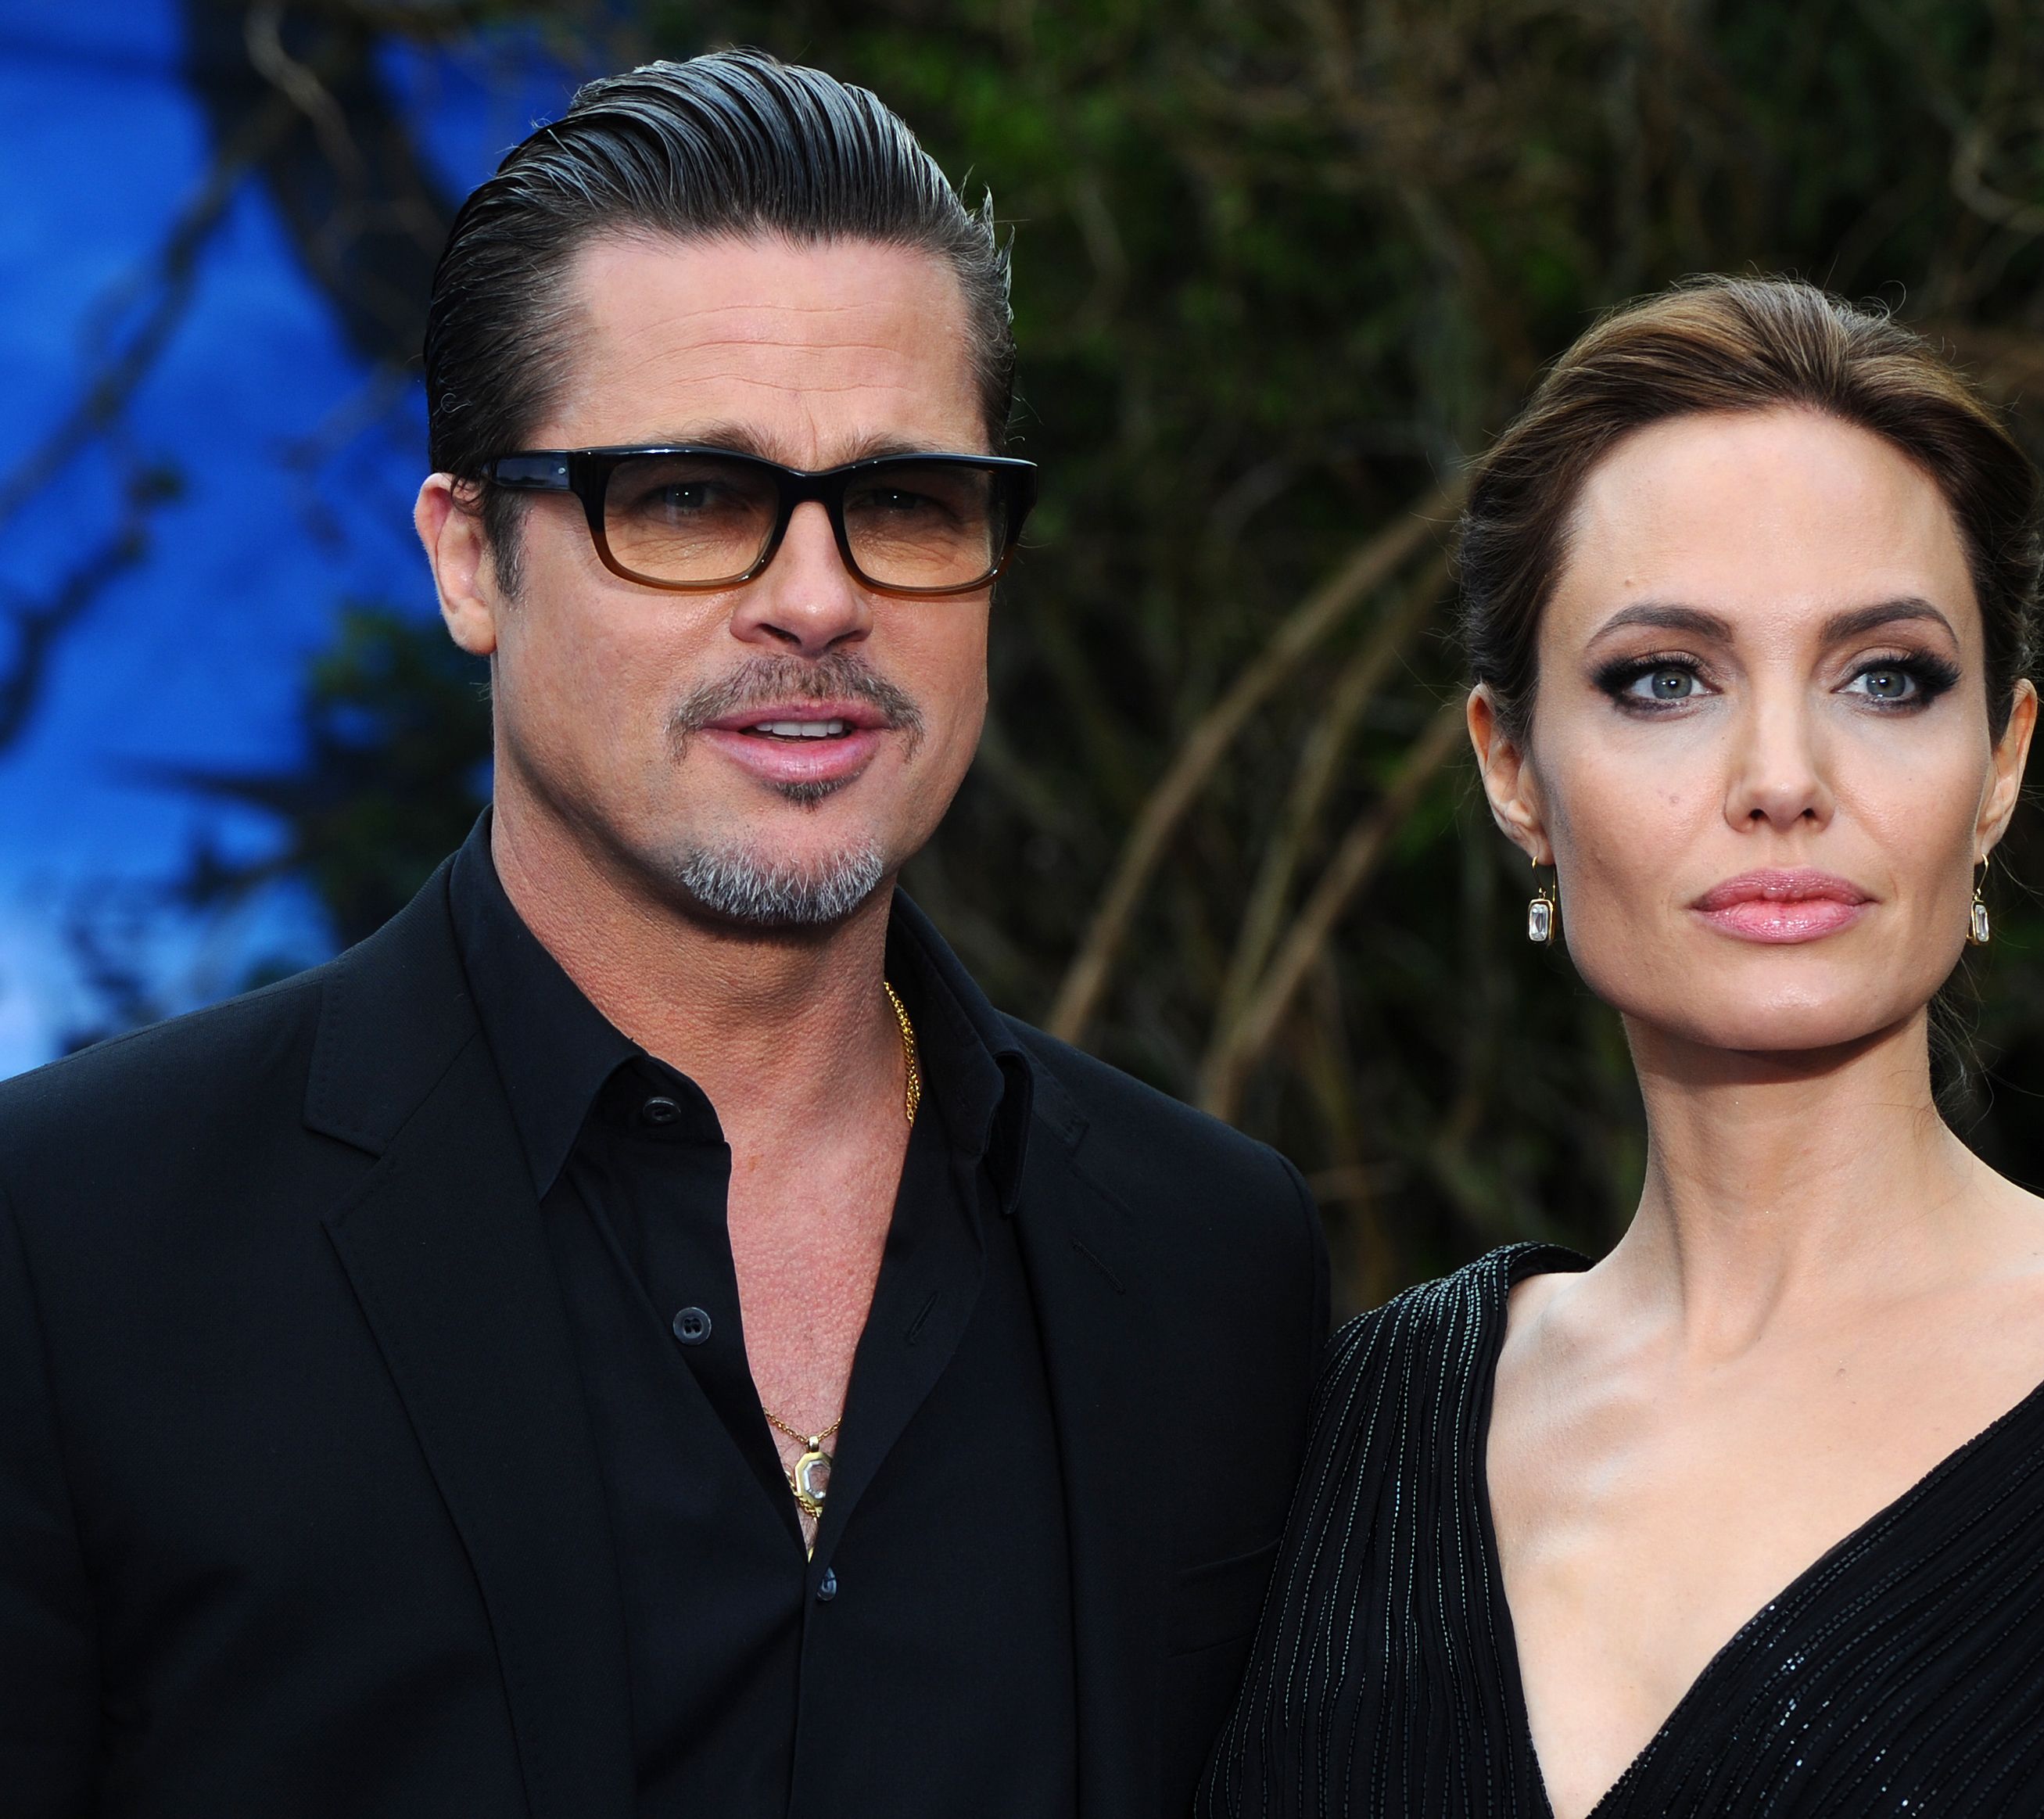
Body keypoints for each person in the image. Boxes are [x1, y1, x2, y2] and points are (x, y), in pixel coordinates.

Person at [0, 52, 1328, 1819]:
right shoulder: (76, 1251)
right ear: (470, 559)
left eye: (908, 500)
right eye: (691, 497)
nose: (820, 595)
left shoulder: (1208, 1265)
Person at [1200, 277, 2044, 1818]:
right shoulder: (1344, 1437)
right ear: (1512, 770)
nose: (1784, 777)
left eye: (1887, 677)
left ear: (1999, 762)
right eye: (1663, 678)